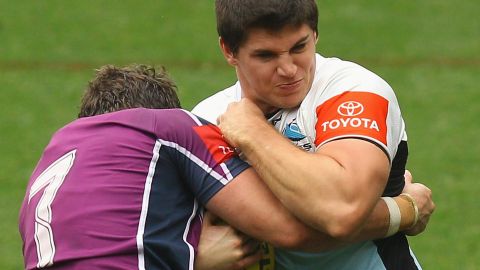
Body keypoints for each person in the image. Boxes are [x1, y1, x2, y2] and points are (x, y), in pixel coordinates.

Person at [18, 64, 424, 270]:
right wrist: (402, 210)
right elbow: (294, 228)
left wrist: (187, 254)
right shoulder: (171, 126)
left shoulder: (53, 159)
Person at [192, 0, 435, 269]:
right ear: (229, 50)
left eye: (299, 47)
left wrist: (254, 132)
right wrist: (403, 210)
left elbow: (341, 210)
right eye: (266, 56)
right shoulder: (205, 119)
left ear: (315, 34)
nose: (288, 69)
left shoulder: (355, 90)